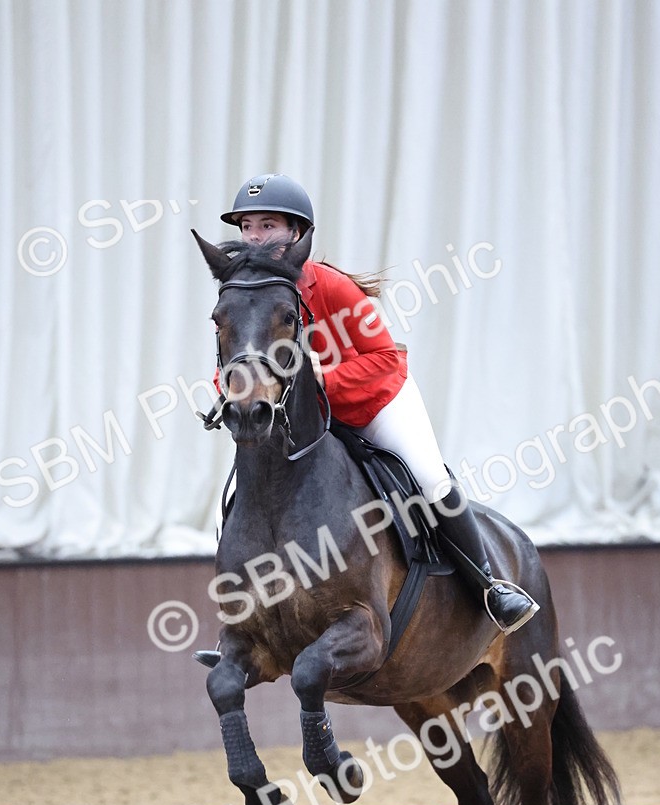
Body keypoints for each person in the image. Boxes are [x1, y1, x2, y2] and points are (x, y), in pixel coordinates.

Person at [213, 172, 538, 633]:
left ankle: (490, 587)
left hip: (374, 402)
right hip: (304, 419)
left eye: (269, 225)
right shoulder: (243, 293)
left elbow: (384, 359)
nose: (255, 237)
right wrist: (233, 389)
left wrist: (320, 380)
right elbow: (232, 355)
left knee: (428, 478)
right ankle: (247, 627)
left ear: (298, 234)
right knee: (249, 484)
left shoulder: (330, 287)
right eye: (247, 227)